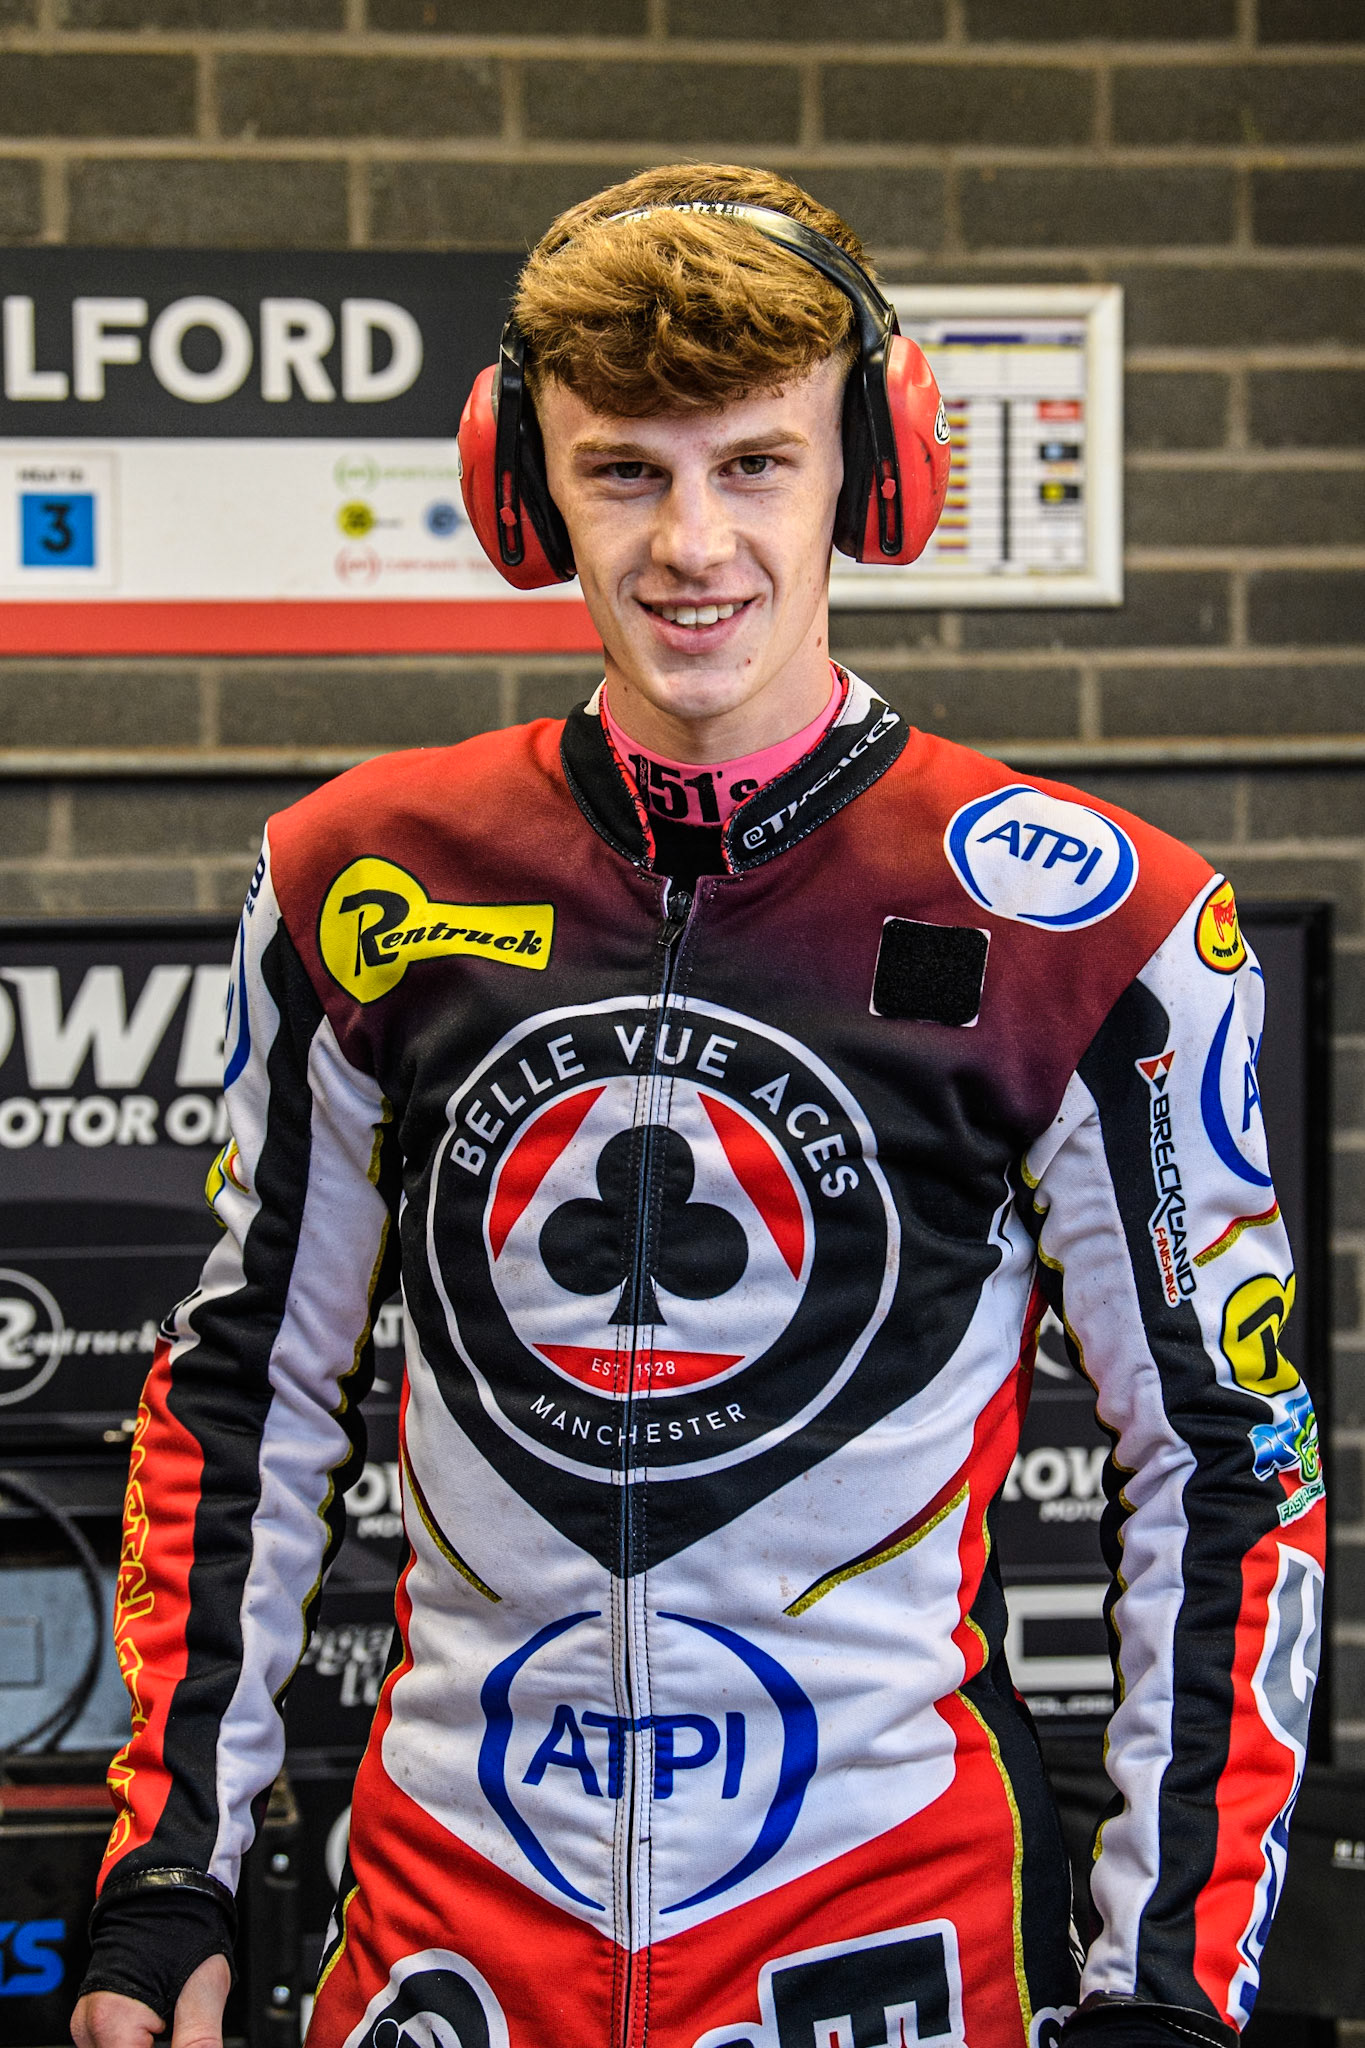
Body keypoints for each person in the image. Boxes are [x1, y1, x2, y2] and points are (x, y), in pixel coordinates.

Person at [73, 164, 1323, 2048]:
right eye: (624, 472)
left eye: (754, 465)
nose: (690, 543)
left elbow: (1226, 1465)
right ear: (526, 492)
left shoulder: (1098, 922)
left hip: (894, 1948)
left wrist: (1165, 1990)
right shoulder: (356, 874)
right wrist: (168, 1871)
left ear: (868, 481)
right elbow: (239, 1393)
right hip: (443, 1945)